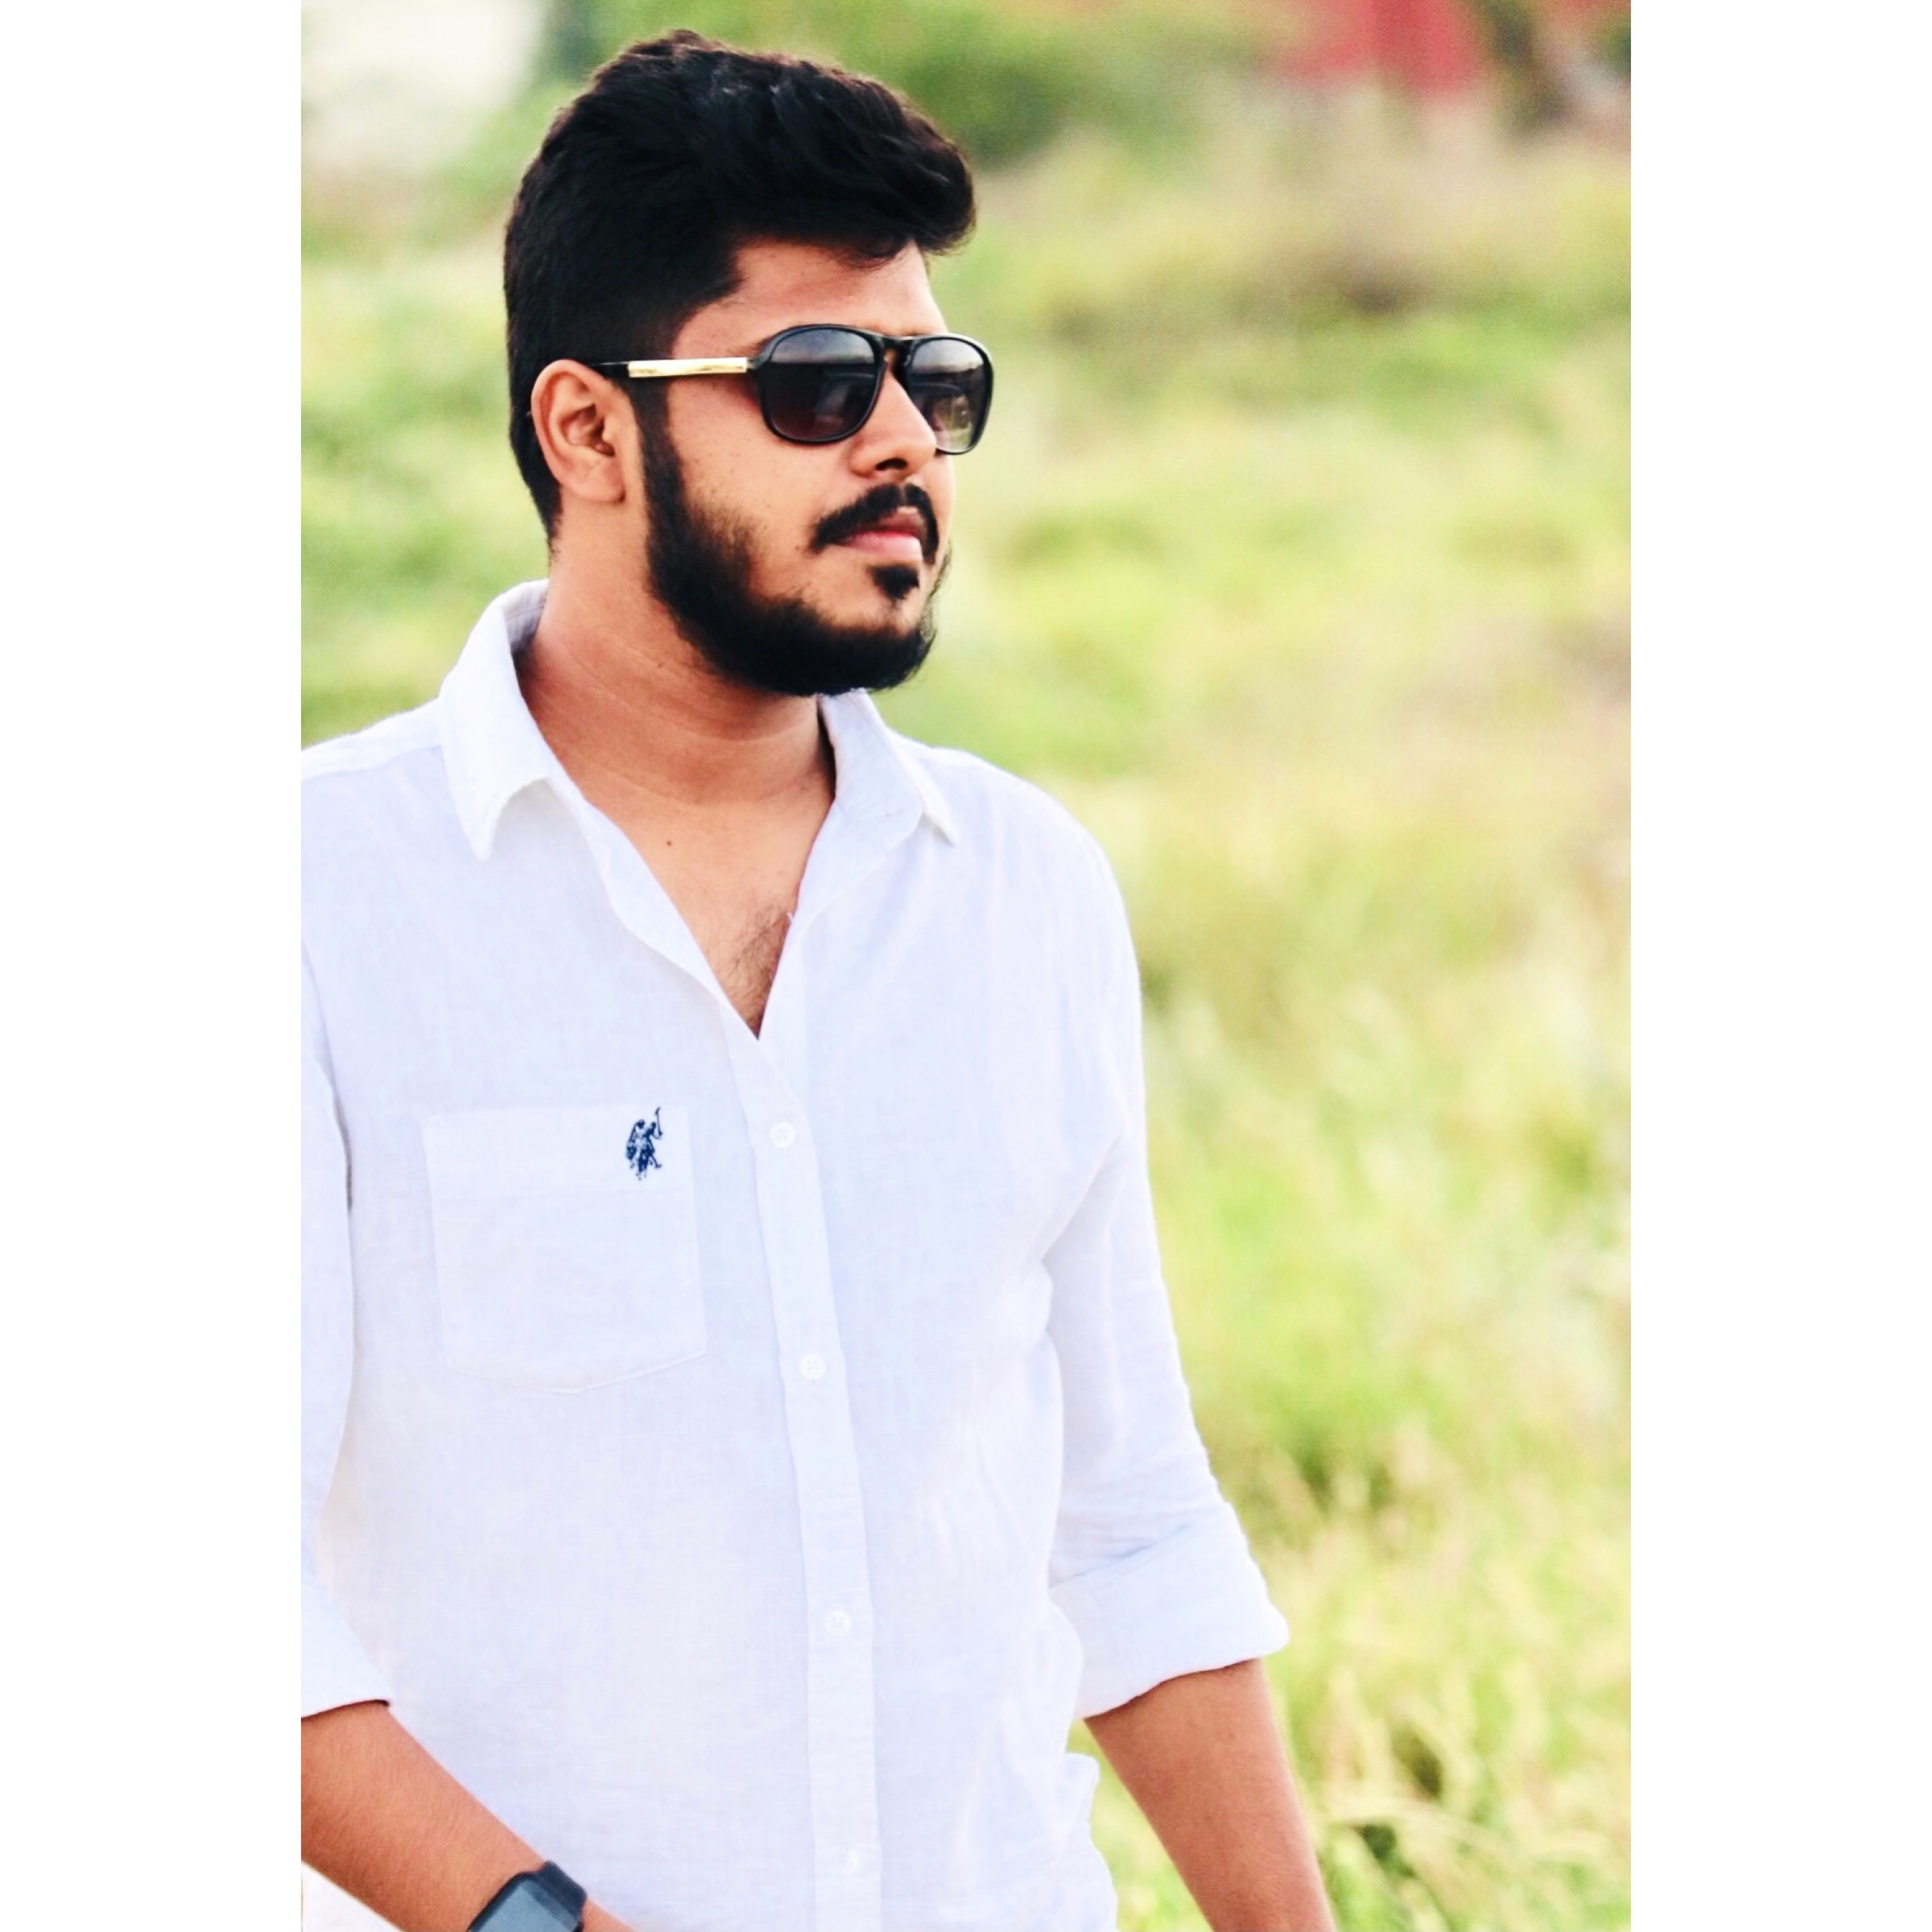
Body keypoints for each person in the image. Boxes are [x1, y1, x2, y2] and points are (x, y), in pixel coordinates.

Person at [301, 31, 1336, 1932]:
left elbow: (1130, 1530)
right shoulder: (310, 904)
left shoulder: (1021, 890)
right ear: (585, 432)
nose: (903, 444)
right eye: (813, 384)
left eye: (936, 384)